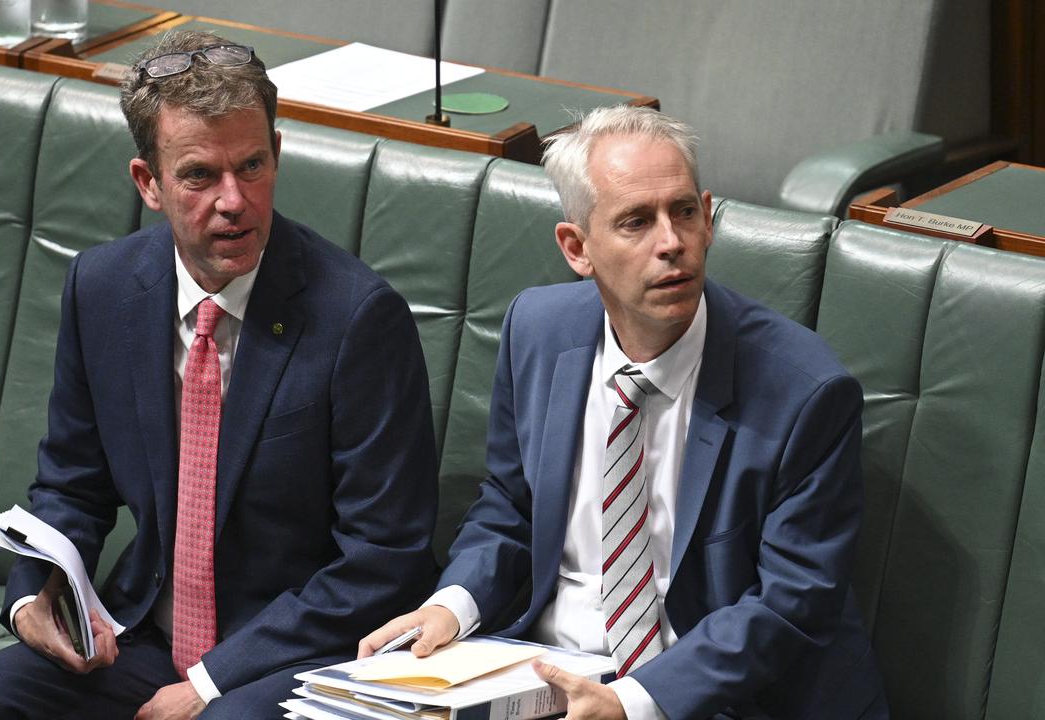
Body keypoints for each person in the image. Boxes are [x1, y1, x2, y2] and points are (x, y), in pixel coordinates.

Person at [0, 30, 438, 719]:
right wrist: (32, 594)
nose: (234, 200)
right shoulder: (102, 288)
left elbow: (383, 561)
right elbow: (72, 486)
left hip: (294, 656)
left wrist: (208, 683)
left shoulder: (358, 320)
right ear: (149, 184)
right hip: (144, 636)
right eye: (200, 175)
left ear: (278, 156)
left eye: (253, 166)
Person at [360, 105, 887, 720]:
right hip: (541, 676)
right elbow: (510, 507)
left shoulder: (805, 391)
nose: (672, 243)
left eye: (685, 212)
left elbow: (791, 603)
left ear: (708, 218)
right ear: (577, 247)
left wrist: (630, 704)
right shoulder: (537, 330)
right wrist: (451, 606)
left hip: (712, 696)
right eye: (636, 221)